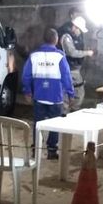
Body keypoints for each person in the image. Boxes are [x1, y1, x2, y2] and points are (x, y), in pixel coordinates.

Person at [22, 28, 75, 160]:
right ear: (56, 40)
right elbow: (66, 76)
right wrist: (71, 94)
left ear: (44, 39)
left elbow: (26, 76)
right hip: (55, 97)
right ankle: (52, 151)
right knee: (55, 125)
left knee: (38, 124)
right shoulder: (60, 56)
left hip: (39, 97)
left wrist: (27, 91)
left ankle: (36, 150)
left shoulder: (34, 56)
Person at [59, 16, 93, 112]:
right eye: (79, 30)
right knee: (73, 93)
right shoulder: (66, 37)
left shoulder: (74, 37)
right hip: (69, 69)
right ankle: (67, 113)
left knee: (77, 92)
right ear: (75, 27)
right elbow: (72, 52)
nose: (80, 32)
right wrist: (86, 53)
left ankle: (72, 111)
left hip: (74, 69)